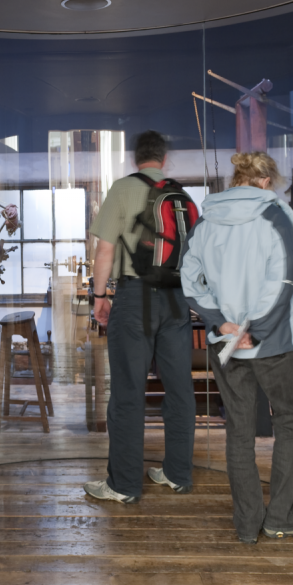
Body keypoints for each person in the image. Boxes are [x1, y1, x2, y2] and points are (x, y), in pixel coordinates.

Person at [179, 151, 293, 543]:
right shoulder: (274, 214)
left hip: (226, 341)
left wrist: (222, 323)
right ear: (264, 182)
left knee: (239, 430)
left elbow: (189, 279)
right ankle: (282, 517)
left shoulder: (207, 217)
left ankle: (247, 524)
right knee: (291, 421)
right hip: (272, 341)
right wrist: (255, 329)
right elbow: (281, 283)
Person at [83, 130, 196, 503]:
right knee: (179, 389)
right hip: (178, 299)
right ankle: (177, 473)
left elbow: (104, 251)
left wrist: (99, 296)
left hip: (135, 297)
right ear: (163, 159)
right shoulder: (182, 195)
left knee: (129, 392)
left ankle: (124, 485)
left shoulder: (122, 188)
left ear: (136, 159)